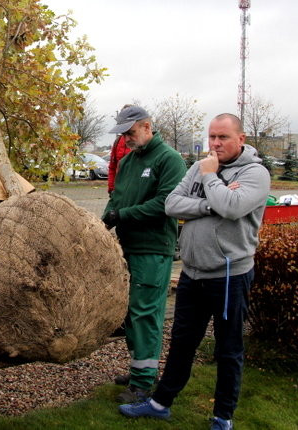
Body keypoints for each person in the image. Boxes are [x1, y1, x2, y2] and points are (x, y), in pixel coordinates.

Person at [119, 113, 270, 430]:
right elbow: (172, 204)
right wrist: (211, 202)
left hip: (229, 275)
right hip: (193, 273)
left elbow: (232, 208)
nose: (216, 143)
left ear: (240, 139)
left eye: (223, 137)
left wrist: (212, 180)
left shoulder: (256, 174)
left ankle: (223, 417)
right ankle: (160, 403)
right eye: (212, 137)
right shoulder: (198, 167)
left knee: (228, 350)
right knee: (182, 343)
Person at [102, 105, 186, 404]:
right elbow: (116, 199)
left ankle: (143, 383)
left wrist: (121, 216)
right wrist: (104, 221)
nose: (125, 139)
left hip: (153, 249)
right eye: (123, 134)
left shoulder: (169, 159)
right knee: (129, 313)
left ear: (148, 127)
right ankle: (139, 369)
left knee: (145, 313)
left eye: (130, 132)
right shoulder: (127, 162)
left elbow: (166, 203)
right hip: (128, 247)